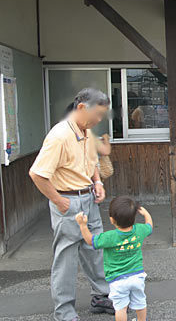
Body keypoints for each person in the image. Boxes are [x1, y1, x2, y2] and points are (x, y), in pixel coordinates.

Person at [29, 88, 114, 321]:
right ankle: (64, 312)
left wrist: (97, 182)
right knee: (66, 258)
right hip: (68, 200)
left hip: (89, 199)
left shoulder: (86, 131)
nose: (99, 120)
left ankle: (101, 296)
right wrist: (58, 201)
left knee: (95, 248)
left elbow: (92, 161)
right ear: (81, 108)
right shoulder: (59, 136)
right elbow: (37, 174)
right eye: (97, 114)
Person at [75, 196, 153, 321]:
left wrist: (82, 225)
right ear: (133, 218)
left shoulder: (109, 237)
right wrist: (146, 214)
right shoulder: (139, 230)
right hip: (137, 276)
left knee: (120, 307)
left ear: (112, 220)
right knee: (140, 302)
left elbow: (90, 241)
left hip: (117, 279)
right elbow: (149, 226)